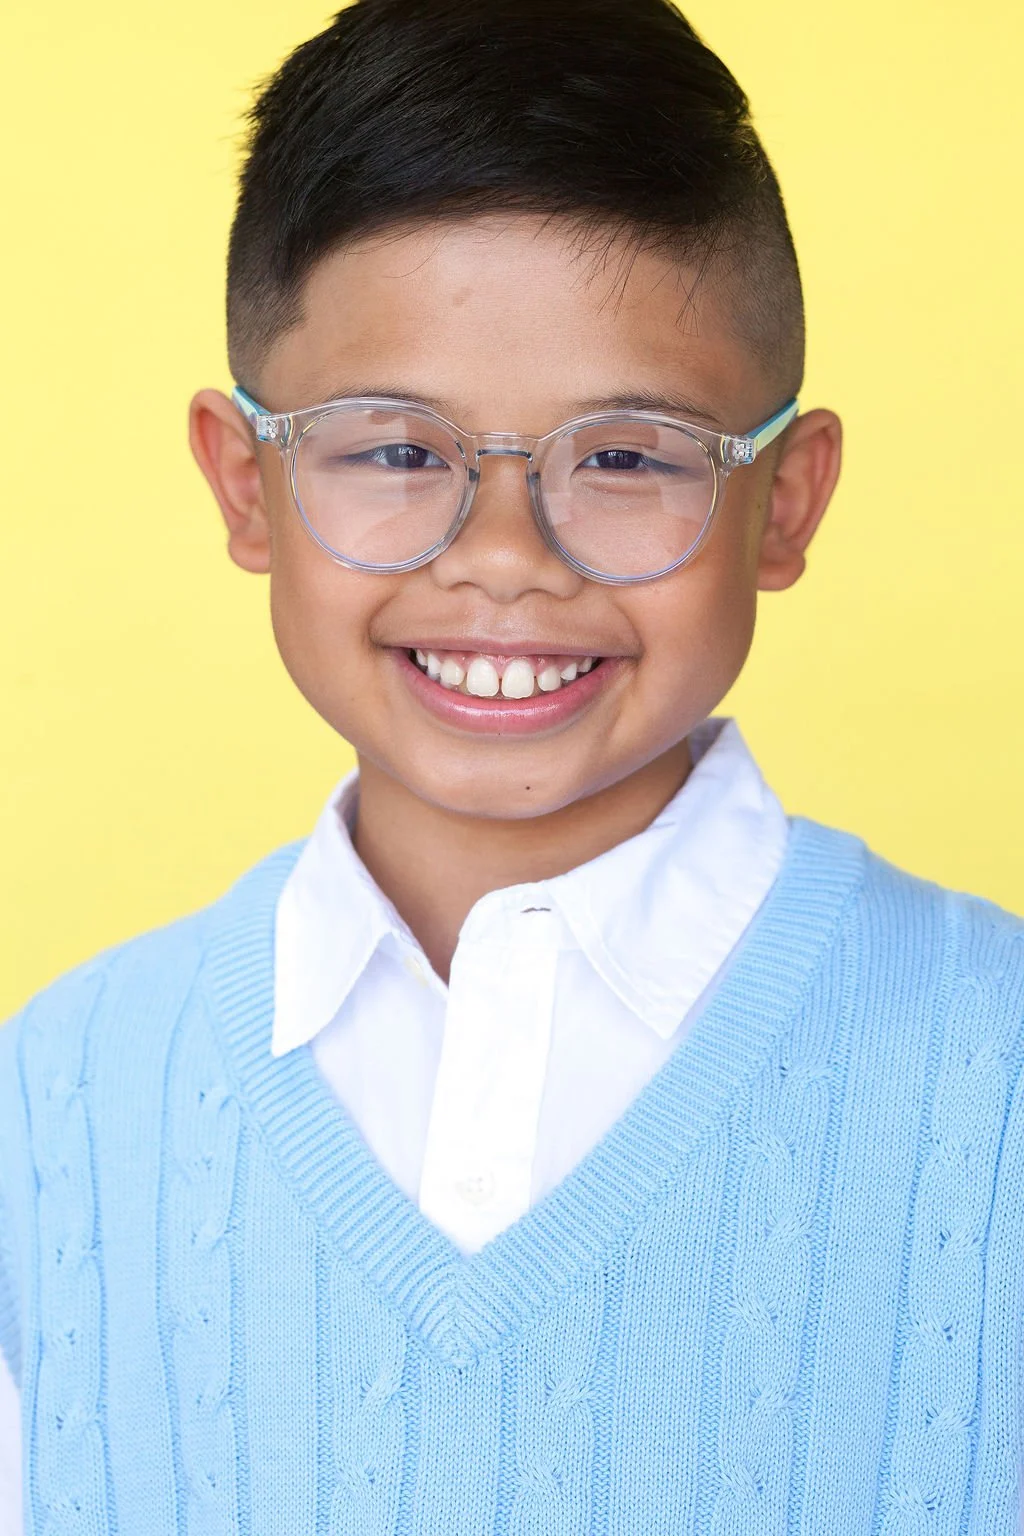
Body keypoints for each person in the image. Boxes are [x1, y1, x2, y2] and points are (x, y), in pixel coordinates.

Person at [2, 0, 1022, 1528]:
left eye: (623, 457)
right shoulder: (53, 1107)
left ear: (787, 503)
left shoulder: (991, 1069)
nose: (502, 563)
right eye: (394, 449)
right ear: (247, 486)